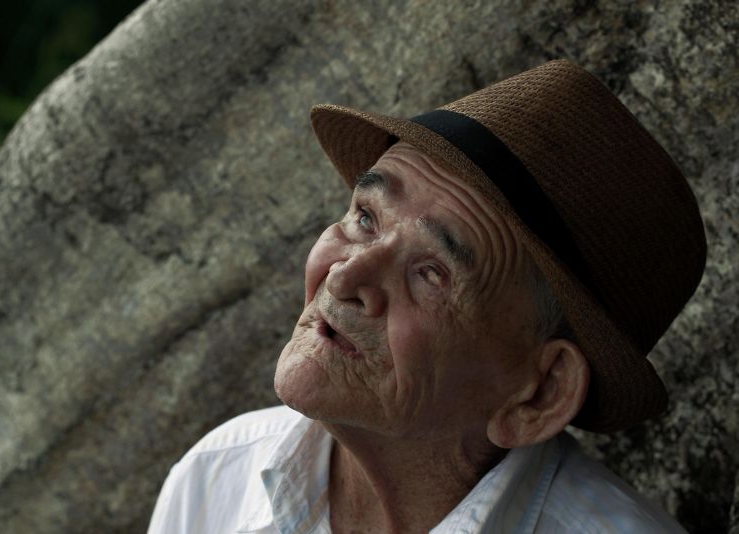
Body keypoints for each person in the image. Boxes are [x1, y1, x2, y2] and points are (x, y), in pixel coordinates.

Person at [148, 60, 705, 533]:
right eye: (365, 218)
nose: (344, 279)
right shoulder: (217, 481)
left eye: (432, 273)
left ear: (539, 395)